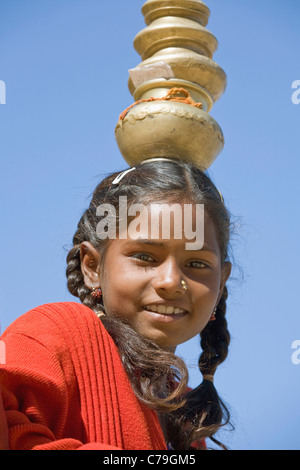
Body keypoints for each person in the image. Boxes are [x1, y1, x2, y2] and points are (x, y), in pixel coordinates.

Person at [0, 158, 234, 450]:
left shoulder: (184, 414)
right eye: (145, 257)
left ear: (221, 282)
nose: (172, 281)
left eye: (197, 263)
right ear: (92, 266)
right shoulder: (52, 333)